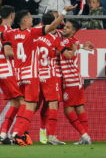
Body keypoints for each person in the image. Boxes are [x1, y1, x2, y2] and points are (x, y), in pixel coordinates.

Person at [0, 5, 75, 146]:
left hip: (19, 76)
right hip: (31, 75)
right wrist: (64, 12)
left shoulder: (11, 33)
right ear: (25, 20)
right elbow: (53, 26)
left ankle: (15, 133)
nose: (32, 19)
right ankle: (17, 133)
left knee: (24, 104)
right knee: (30, 107)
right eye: (30, 17)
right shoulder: (32, 32)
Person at [0, 6, 25, 144]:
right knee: (23, 103)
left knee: (14, 102)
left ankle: (3, 134)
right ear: (12, 16)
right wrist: (23, 55)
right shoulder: (9, 31)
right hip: (8, 70)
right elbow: (8, 52)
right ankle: (17, 133)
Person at [36, 12, 72, 145]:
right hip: (51, 74)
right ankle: (51, 136)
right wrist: (77, 49)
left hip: (37, 74)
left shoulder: (35, 35)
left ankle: (19, 132)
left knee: (33, 105)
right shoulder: (54, 39)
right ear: (53, 25)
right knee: (53, 104)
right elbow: (66, 54)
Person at [61, 19, 92, 145]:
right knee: (79, 107)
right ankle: (85, 137)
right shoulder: (74, 41)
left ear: (73, 31)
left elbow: (65, 49)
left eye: (67, 27)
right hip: (76, 80)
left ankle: (84, 135)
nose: (64, 29)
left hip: (70, 81)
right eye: (64, 26)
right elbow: (78, 45)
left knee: (68, 110)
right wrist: (83, 45)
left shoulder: (67, 41)